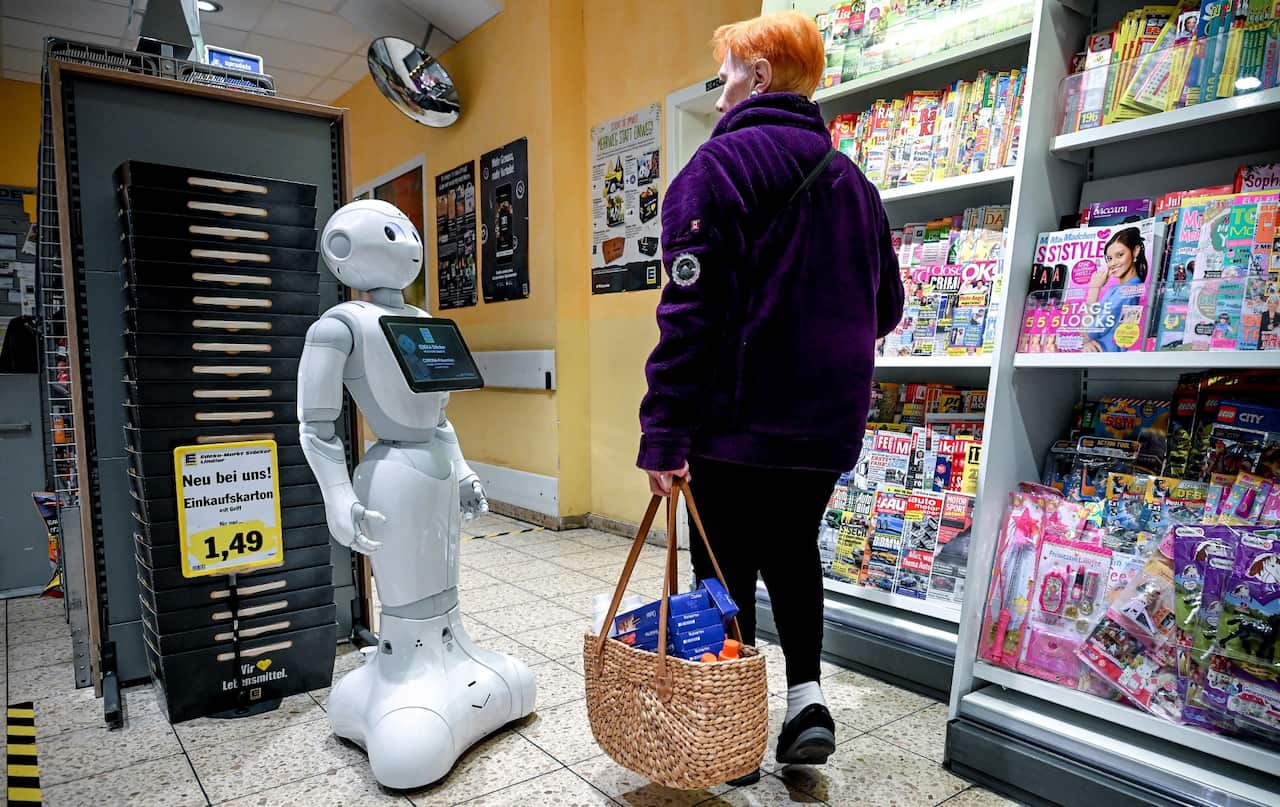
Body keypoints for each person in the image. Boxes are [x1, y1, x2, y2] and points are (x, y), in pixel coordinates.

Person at [636, 11, 904, 777]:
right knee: (793, 548)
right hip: (823, 430)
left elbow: (687, 317)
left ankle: (735, 729)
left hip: (734, 424)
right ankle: (805, 699)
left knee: (724, 567)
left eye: (724, 76)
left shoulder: (714, 173)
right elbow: (886, 308)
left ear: (758, 74)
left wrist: (663, 435)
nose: (719, 96)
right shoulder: (856, 184)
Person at [1082, 226, 1148, 352]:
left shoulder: (1128, 291)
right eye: (1110, 258)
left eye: (1120, 255)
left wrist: (1094, 289)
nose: (1112, 263)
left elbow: (1087, 332)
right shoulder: (1117, 289)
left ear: (1135, 251)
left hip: (1109, 354)